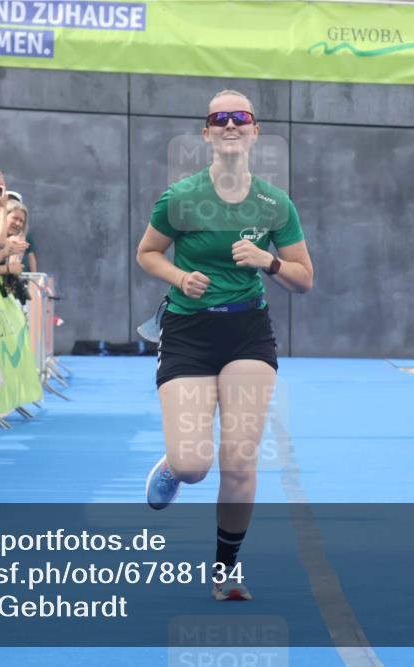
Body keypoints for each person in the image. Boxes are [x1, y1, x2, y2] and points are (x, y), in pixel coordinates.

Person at [136, 90, 314, 601]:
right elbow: (147, 253)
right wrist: (178, 275)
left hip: (247, 333)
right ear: (206, 132)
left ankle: (225, 571)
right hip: (190, 331)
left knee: (239, 461)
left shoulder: (275, 204)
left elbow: (304, 278)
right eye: (221, 117)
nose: (231, 124)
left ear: (255, 131)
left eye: (241, 117)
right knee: (195, 464)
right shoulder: (180, 197)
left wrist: (268, 262)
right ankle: (173, 466)